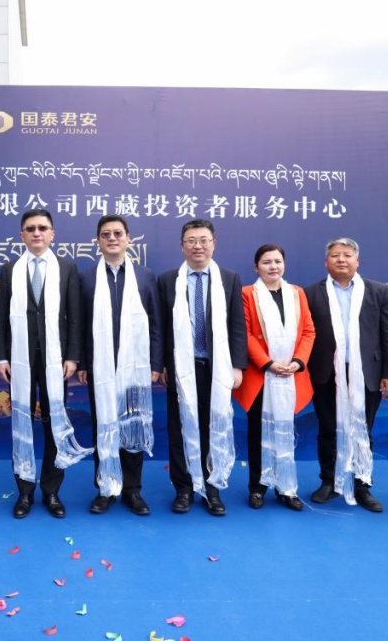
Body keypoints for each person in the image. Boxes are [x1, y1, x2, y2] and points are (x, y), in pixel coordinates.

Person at [0, 208, 89, 519]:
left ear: (52, 234)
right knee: (21, 424)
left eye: (42, 228)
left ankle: (51, 491)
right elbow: (0, 318)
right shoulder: (9, 269)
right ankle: (24, 492)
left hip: (55, 361)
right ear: (21, 235)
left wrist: (72, 357)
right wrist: (1, 357)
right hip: (19, 361)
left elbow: (75, 317)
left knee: (52, 424)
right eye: (31, 228)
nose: (37, 233)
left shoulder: (66, 268)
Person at [304, 238, 388, 513]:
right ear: (326, 262)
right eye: (335, 255)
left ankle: (362, 485)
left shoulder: (378, 292)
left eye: (347, 255)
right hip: (326, 373)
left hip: (367, 373)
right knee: (327, 429)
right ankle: (329, 482)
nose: (341, 260)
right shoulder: (310, 293)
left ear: (357, 261)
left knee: (363, 429)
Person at [158, 219, 246, 516]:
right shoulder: (168, 280)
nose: (198, 246)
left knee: (213, 425)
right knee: (179, 427)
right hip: (180, 368)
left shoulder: (229, 278)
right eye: (191, 241)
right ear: (182, 246)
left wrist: (237, 366)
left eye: (204, 240)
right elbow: (161, 328)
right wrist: (162, 365)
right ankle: (183, 488)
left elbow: (237, 325)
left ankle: (212, 487)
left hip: (216, 367)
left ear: (213, 244)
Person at [77, 215, 162, 516]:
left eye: (117, 233)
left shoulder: (145, 276)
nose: (112, 238)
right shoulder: (86, 278)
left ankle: (132, 490)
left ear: (128, 238)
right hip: (99, 367)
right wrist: (83, 362)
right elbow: (79, 324)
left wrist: (155, 362)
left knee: (132, 426)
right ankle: (105, 488)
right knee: (103, 426)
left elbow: (155, 323)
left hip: (135, 367)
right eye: (105, 234)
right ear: (98, 241)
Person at [235, 244, 315, 512]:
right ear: (256, 267)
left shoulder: (296, 293)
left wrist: (298, 362)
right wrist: (268, 363)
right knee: (258, 433)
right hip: (261, 376)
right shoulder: (247, 294)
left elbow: (308, 331)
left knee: (285, 431)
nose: (273, 266)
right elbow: (244, 333)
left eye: (278, 261)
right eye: (266, 262)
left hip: (291, 375)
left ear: (284, 265)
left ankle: (286, 488)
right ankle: (257, 488)